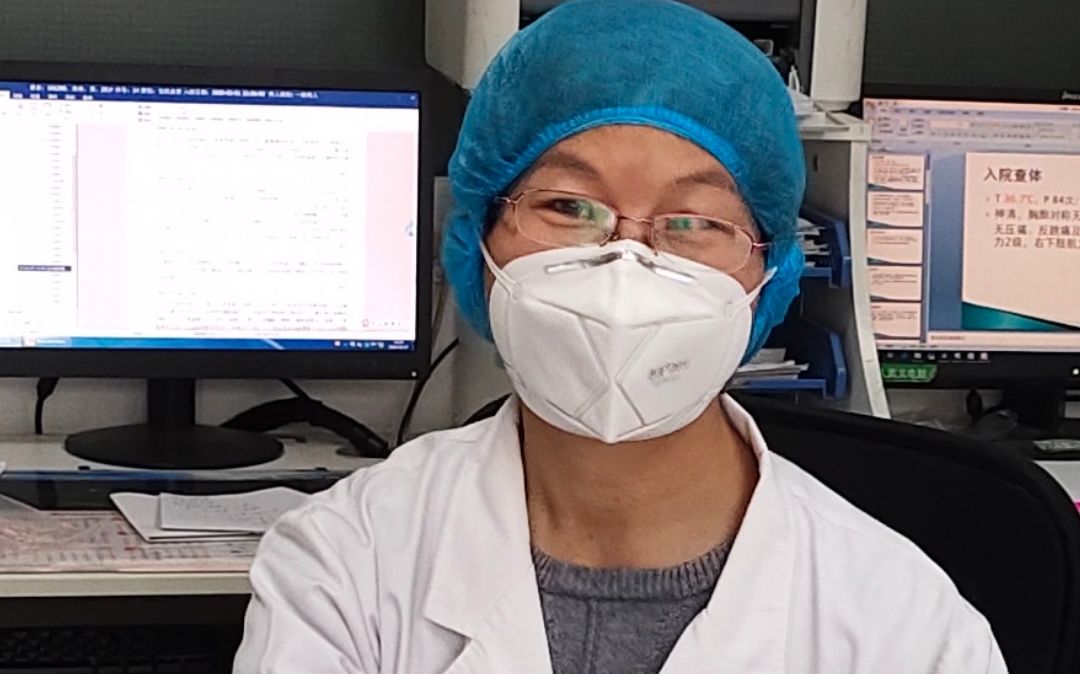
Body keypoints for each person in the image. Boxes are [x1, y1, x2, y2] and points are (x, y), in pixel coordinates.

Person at [233, 1, 1008, 672]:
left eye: (693, 223)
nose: (625, 267)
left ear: (768, 276)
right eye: (570, 207)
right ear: (479, 244)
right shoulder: (347, 563)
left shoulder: (903, 622)